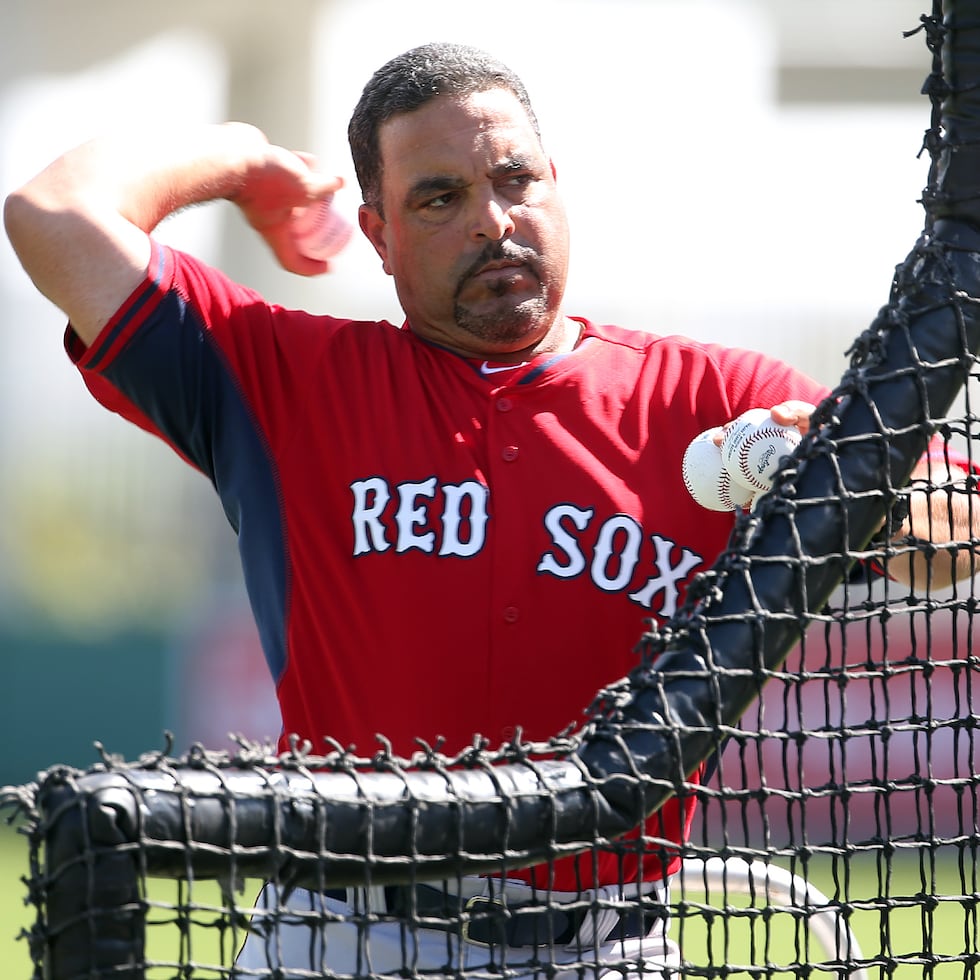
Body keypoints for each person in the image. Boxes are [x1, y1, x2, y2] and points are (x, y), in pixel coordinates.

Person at [4, 41, 977, 979]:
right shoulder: (280, 379)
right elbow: (52, 215)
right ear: (377, 232)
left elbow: (957, 536)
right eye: (439, 197)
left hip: (601, 945)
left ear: (556, 182)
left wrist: (848, 487)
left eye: (515, 180)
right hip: (343, 936)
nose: (492, 220)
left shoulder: (712, 396)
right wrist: (246, 162)